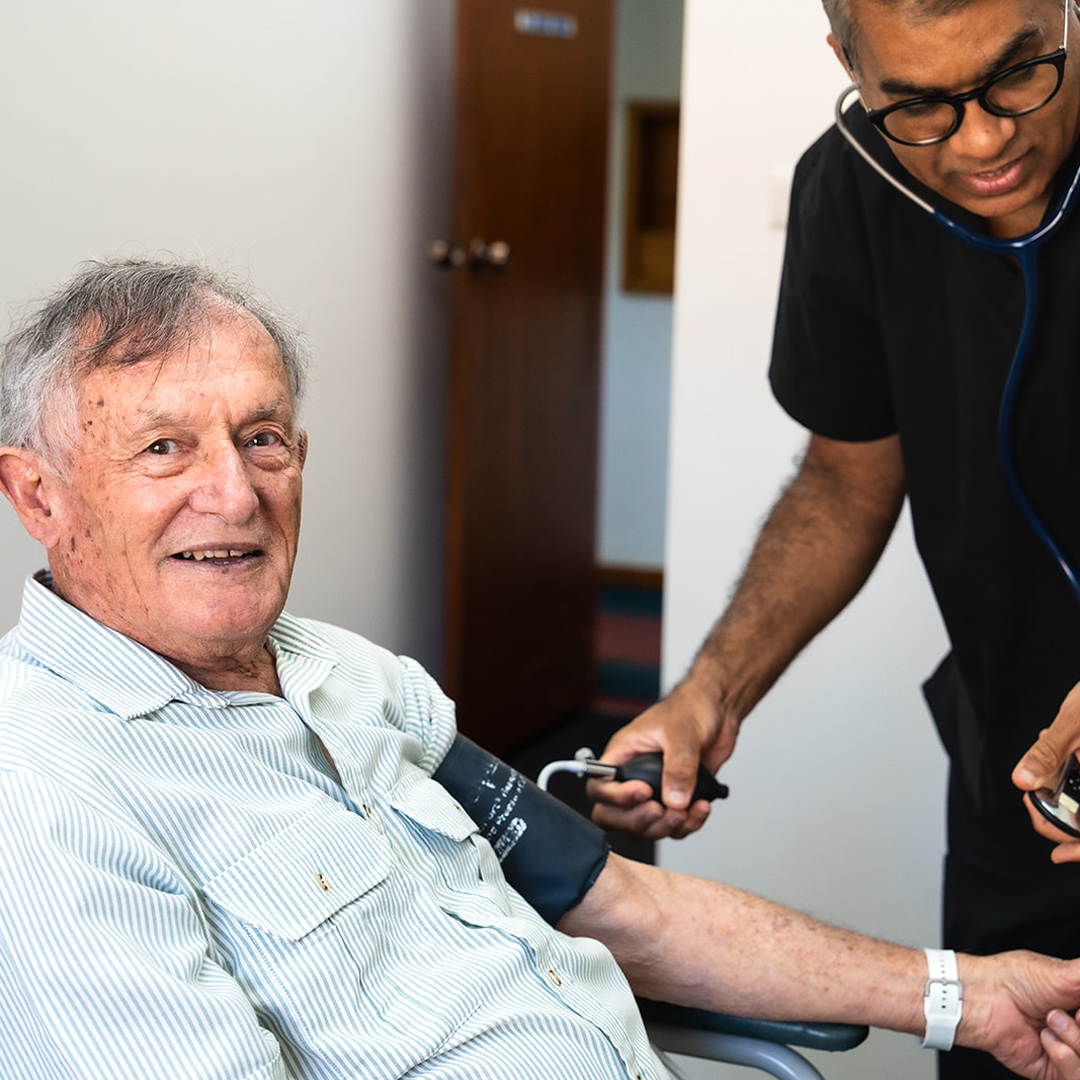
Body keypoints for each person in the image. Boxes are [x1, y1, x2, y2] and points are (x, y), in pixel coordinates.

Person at [3, 258, 1080, 1079]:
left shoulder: (346, 676)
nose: (235, 496)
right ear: (38, 496)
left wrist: (966, 995)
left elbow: (613, 903)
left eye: (264, 439)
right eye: (163, 450)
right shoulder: (44, 796)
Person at [589, 1, 1080, 1076]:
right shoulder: (853, 191)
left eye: (1018, 75)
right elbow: (846, 481)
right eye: (919, 104)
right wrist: (712, 688)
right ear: (847, 63)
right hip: (1026, 792)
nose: (987, 138)